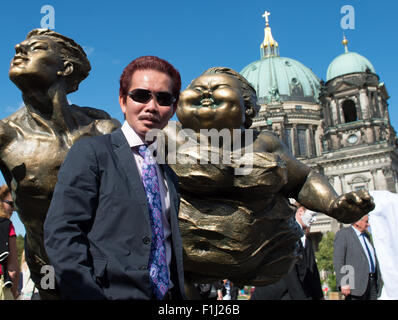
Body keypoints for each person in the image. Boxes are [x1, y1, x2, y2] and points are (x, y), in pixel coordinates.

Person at [166, 66, 375, 286]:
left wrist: (333, 204)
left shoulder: (265, 142)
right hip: (183, 263)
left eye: (220, 88)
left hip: (265, 259)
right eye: (196, 89)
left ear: (247, 109)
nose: (206, 93)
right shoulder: (168, 135)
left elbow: (303, 179)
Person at [44, 56, 186, 300]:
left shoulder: (171, 170)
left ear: (173, 108)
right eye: (141, 95)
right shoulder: (91, 153)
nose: (151, 106)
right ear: (123, 101)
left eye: (163, 98)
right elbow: (62, 234)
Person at [1, 29, 120, 299]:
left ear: (65, 68)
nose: (19, 47)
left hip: (106, 263)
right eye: (21, 45)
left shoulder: (102, 129)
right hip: (46, 267)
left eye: (37, 47)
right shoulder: (5, 136)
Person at [250, 203, 323, 300]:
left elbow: (312, 272)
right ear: (300, 212)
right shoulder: (285, 234)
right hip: (276, 293)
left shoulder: (305, 239)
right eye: (312, 215)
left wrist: (319, 296)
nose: (314, 219)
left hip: (293, 292)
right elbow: (290, 274)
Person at [333, 214, 382, 300]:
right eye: (366, 221)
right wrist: (343, 283)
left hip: (371, 284)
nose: (368, 224)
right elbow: (338, 260)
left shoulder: (367, 236)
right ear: (357, 222)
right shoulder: (344, 234)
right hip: (355, 288)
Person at [368, 190, 398, 299]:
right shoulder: (344, 235)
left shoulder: (369, 238)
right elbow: (341, 261)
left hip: (375, 284)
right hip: (356, 286)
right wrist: (346, 283)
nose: (368, 224)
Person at [0, 185, 19, 300]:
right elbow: (13, 270)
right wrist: (14, 293)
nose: (13, 209)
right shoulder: (7, 225)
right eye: (11, 204)